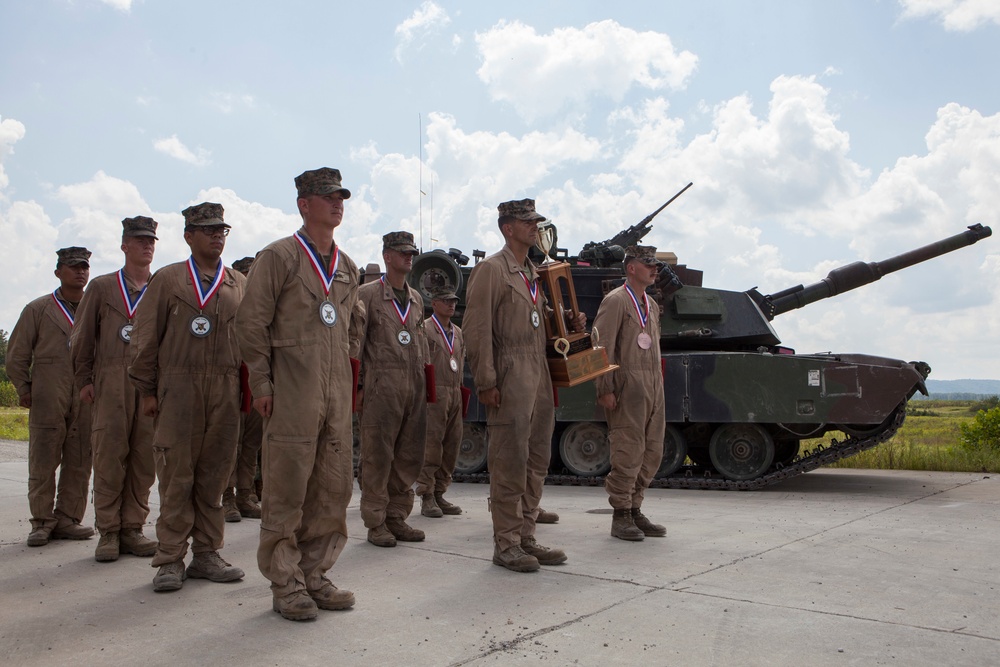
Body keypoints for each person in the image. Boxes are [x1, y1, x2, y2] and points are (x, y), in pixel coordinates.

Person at [237, 167, 359, 621]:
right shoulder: (279, 257)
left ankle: (315, 574)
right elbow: (250, 324)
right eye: (328, 196)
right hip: (292, 391)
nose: (337, 203)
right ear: (304, 204)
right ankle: (285, 583)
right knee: (287, 489)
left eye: (341, 196)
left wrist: (350, 388)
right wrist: (262, 383)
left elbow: (350, 333)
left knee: (331, 489)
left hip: (335, 396)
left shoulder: (346, 267)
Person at [129, 202, 247, 592]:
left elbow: (250, 340)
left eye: (222, 230)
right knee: (177, 475)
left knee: (214, 476)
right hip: (177, 388)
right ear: (188, 236)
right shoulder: (168, 279)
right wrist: (147, 390)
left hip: (225, 390)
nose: (217, 235)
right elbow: (145, 337)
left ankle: (207, 554)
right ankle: (169, 558)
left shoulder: (237, 283)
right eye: (209, 229)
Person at [463, 198, 584, 573]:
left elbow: (541, 323)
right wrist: (486, 380)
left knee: (536, 459)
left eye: (536, 221)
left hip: (539, 373)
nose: (535, 227)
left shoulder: (534, 274)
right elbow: (477, 329)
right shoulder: (492, 270)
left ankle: (526, 535)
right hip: (510, 371)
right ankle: (507, 543)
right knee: (509, 460)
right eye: (527, 221)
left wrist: (567, 321)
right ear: (508, 228)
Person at [73, 216, 159, 563]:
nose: (146, 245)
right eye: (139, 240)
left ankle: (133, 528)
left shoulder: (162, 286)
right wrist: (84, 379)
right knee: (109, 456)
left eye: (151, 240)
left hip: (150, 385)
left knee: (144, 459)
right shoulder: (102, 287)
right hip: (110, 380)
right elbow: (80, 338)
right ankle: (108, 531)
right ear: (124, 245)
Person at [7, 247, 95, 546]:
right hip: (48, 392)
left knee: (80, 458)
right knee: (44, 459)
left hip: (86, 395)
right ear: (58, 272)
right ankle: (42, 522)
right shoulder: (39, 308)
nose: (80, 272)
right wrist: (24, 388)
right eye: (73, 267)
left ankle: (69, 519)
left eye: (84, 267)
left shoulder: (95, 307)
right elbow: (17, 354)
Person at [357, 231, 429, 547]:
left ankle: (397, 516)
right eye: (403, 252)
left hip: (413, 386)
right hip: (380, 386)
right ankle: (375, 523)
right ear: (387, 255)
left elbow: (421, 346)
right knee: (377, 457)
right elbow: (356, 345)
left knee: (408, 455)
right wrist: (357, 388)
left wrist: (427, 389)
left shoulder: (416, 299)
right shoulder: (367, 295)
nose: (409, 257)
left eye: (411, 252)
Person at [592, 245, 668, 541]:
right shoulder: (616, 301)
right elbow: (600, 346)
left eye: (655, 264)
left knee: (652, 451)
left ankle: (636, 509)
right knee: (627, 450)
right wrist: (605, 387)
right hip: (627, 386)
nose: (654, 269)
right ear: (631, 268)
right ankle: (620, 514)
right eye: (647, 264)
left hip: (653, 386)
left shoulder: (652, 304)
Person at [416, 285, 465, 518]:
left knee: (451, 445)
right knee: (431, 445)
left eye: (453, 300)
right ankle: (426, 495)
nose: (451, 304)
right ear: (434, 303)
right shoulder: (425, 329)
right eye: (445, 300)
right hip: (435, 392)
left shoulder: (458, 331)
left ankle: (440, 492)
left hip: (454, 391)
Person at [222, 256, 263, 523]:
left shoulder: (262, 304)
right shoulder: (229, 302)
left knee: (251, 442)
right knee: (230, 443)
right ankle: (226, 496)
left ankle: (245, 494)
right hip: (232, 375)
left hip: (256, 377)